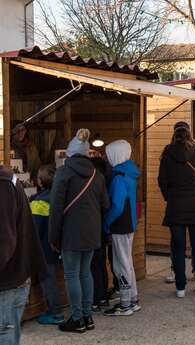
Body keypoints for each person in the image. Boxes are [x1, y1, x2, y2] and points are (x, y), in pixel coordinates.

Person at [49, 129, 110, 333]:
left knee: (71, 274)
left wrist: (53, 236)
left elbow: (56, 207)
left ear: (70, 153)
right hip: (92, 232)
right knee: (86, 273)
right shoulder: (97, 175)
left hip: (70, 233)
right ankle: (87, 316)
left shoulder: (63, 173)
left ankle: (76, 319)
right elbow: (105, 204)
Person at [158, 122, 195, 298]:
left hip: (175, 205)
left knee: (178, 248)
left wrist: (169, 196)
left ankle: (180, 287)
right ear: (189, 134)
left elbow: (162, 180)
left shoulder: (167, 152)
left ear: (174, 134)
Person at [0, 165, 47, 345]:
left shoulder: (2, 184)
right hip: (12, 278)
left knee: (5, 335)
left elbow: (4, 240)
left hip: (8, 282)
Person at [103, 140, 142, 316]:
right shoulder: (129, 174)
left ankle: (125, 303)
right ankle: (133, 298)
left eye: (108, 154)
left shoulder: (118, 177)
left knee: (121, 264)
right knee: (128, 262)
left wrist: (106, 222)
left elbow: (117, 206)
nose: (106, 157)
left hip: (120, 225)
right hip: (129, 224)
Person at [30, 165, 65, 325]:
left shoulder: (38, 202)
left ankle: (55, 312)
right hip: (60, 245)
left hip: (45, 248)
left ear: (41, 182)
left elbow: (35, 230)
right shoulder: (60, 197)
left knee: (48, 280)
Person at [90, 157, 112, 312]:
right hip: (102, 230)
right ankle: (103, 296)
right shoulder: (106, 183)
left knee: (93, 266)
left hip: (94, 230)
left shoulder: (94, 184)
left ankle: (96, 299)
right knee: (100, 264)